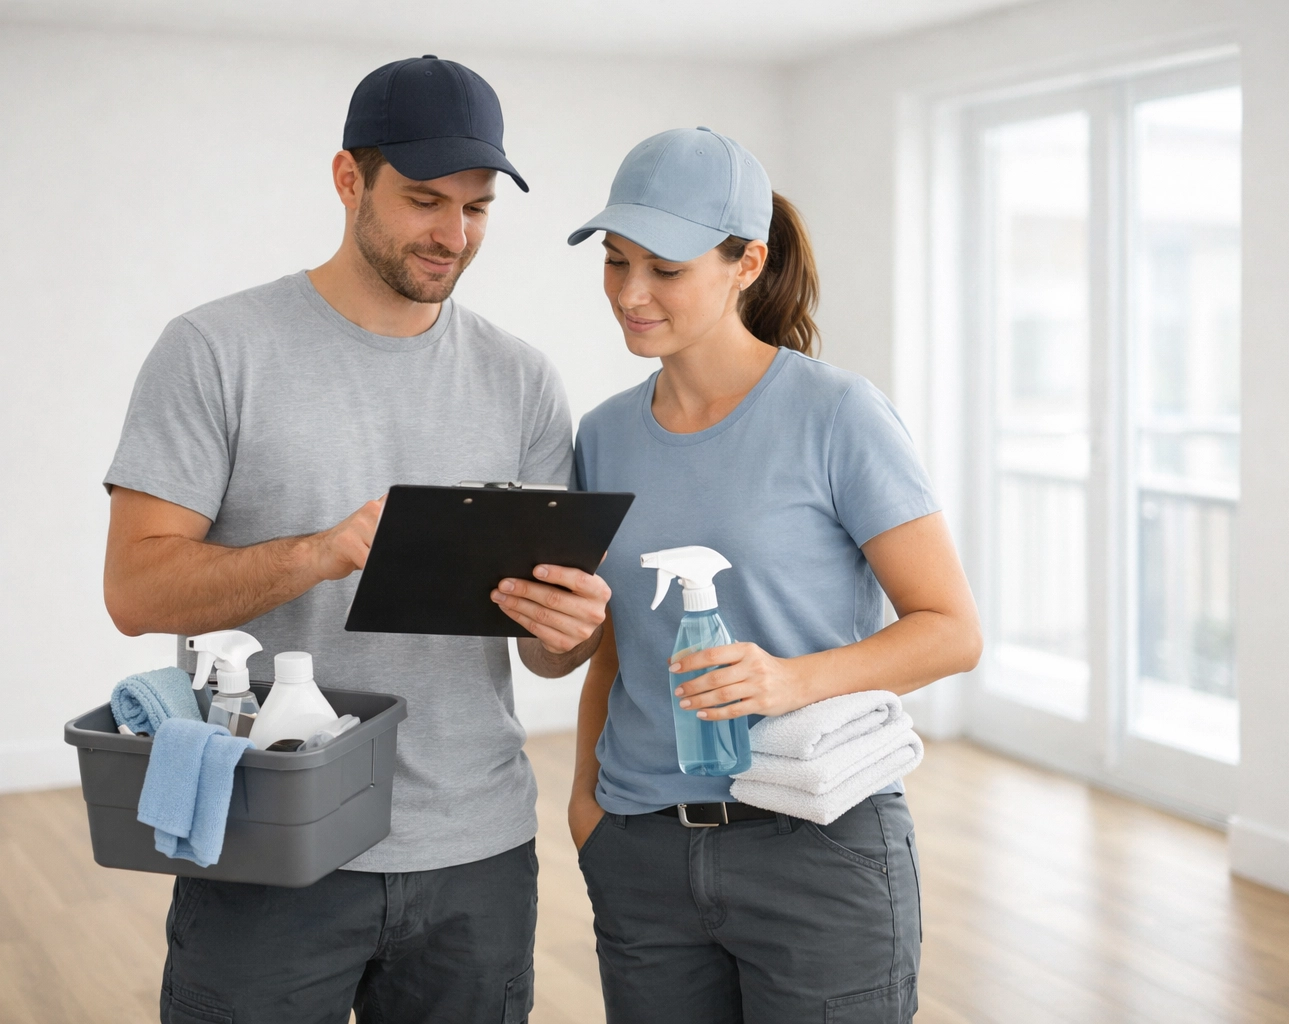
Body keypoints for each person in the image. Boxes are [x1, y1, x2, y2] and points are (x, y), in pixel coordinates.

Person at [102, 56, 610, 1024]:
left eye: (478, 207)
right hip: (270, 836)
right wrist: (322, 551)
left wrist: (567, 627)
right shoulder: (215, 349)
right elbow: (136, 591)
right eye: (424, 200)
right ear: (348, 180)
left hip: (476, 850)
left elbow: (550, 659)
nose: (453, 235)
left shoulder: (522, 378)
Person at [565, 127, 983, 1023]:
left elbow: (951, 628)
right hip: (641, 851)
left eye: (665, 269)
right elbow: (614, 645)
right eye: (615, 262)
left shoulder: (837, 414)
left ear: (746, 262)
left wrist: (790, 680)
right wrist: (585, 806)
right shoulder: (601, 436)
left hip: (818, 844)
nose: (631, 295)